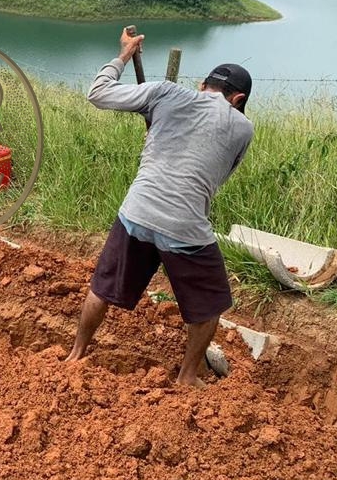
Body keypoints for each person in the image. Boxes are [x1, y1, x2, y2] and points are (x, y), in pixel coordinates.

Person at [66, 29, 253, 387]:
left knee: (102, 287)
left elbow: (98, 94)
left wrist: (124, 54)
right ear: (238, 98)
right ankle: (186, 377)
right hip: (184, 224)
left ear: (202, 85)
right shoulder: (243, 127)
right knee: (211, 306)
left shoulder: (164, 92)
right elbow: (214, 177)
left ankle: (76, 354)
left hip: (136, 210)